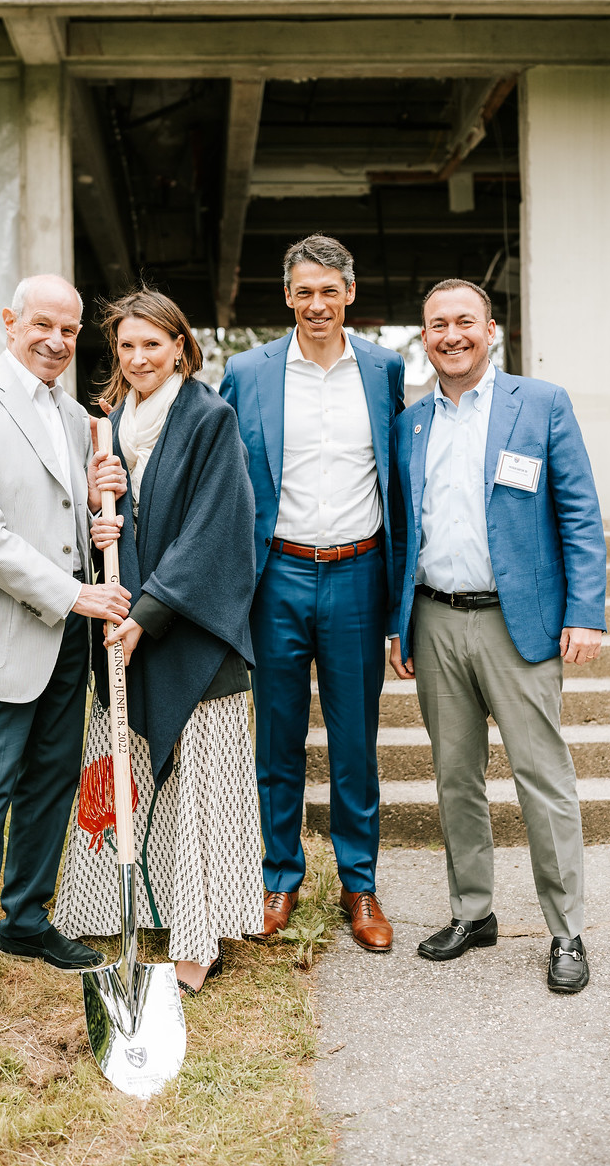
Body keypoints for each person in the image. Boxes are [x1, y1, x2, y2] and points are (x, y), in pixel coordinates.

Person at [0, 274, 130, 1038]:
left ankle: (24, 919)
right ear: (11, 322)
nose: (56, 340)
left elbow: (68, 524)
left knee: (49, 785)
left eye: (69, 331)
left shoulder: (78, 417)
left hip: (62, 643)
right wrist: (76, 595)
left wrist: (99, 504)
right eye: (42, 324)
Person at [389, 277, 606, 992]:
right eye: (436, 325)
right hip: (436, 616)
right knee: (455, 778)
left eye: (463, 322)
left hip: (522, 624)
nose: (450, 335)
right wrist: (401, 623)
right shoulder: (411, 422)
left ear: (490, 330)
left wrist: (585, 610)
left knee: (542, 779)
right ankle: (472, 911)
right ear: (423, 337)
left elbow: (577, 511)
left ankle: (565, 929)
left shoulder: (540, 404)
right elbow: (403, 530)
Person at [53, 287, 263, 997]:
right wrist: (99, 509)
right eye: (127, 346)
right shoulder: (110, 430)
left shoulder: (209, 417)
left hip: (189, 634)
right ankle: (132, 911)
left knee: (199, 785)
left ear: (180, 346)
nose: (138, 357)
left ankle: (199, 936)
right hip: (125, 628)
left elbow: (217, 531)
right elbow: (116, 532)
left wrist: (147, 615)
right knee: (130, 777)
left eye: (153, 344)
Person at [220, 234, 404, 951]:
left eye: (330, 290)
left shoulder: (385, 370)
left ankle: (360, 887)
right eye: (305, 291)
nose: (317, 303)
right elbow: (225, 473)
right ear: (288, 296)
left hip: (359, 572)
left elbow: (398, 476)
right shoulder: (249, 371)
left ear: (350, 294)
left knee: (356, 743)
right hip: (279, 576)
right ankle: (279, 876)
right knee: (278, 739)